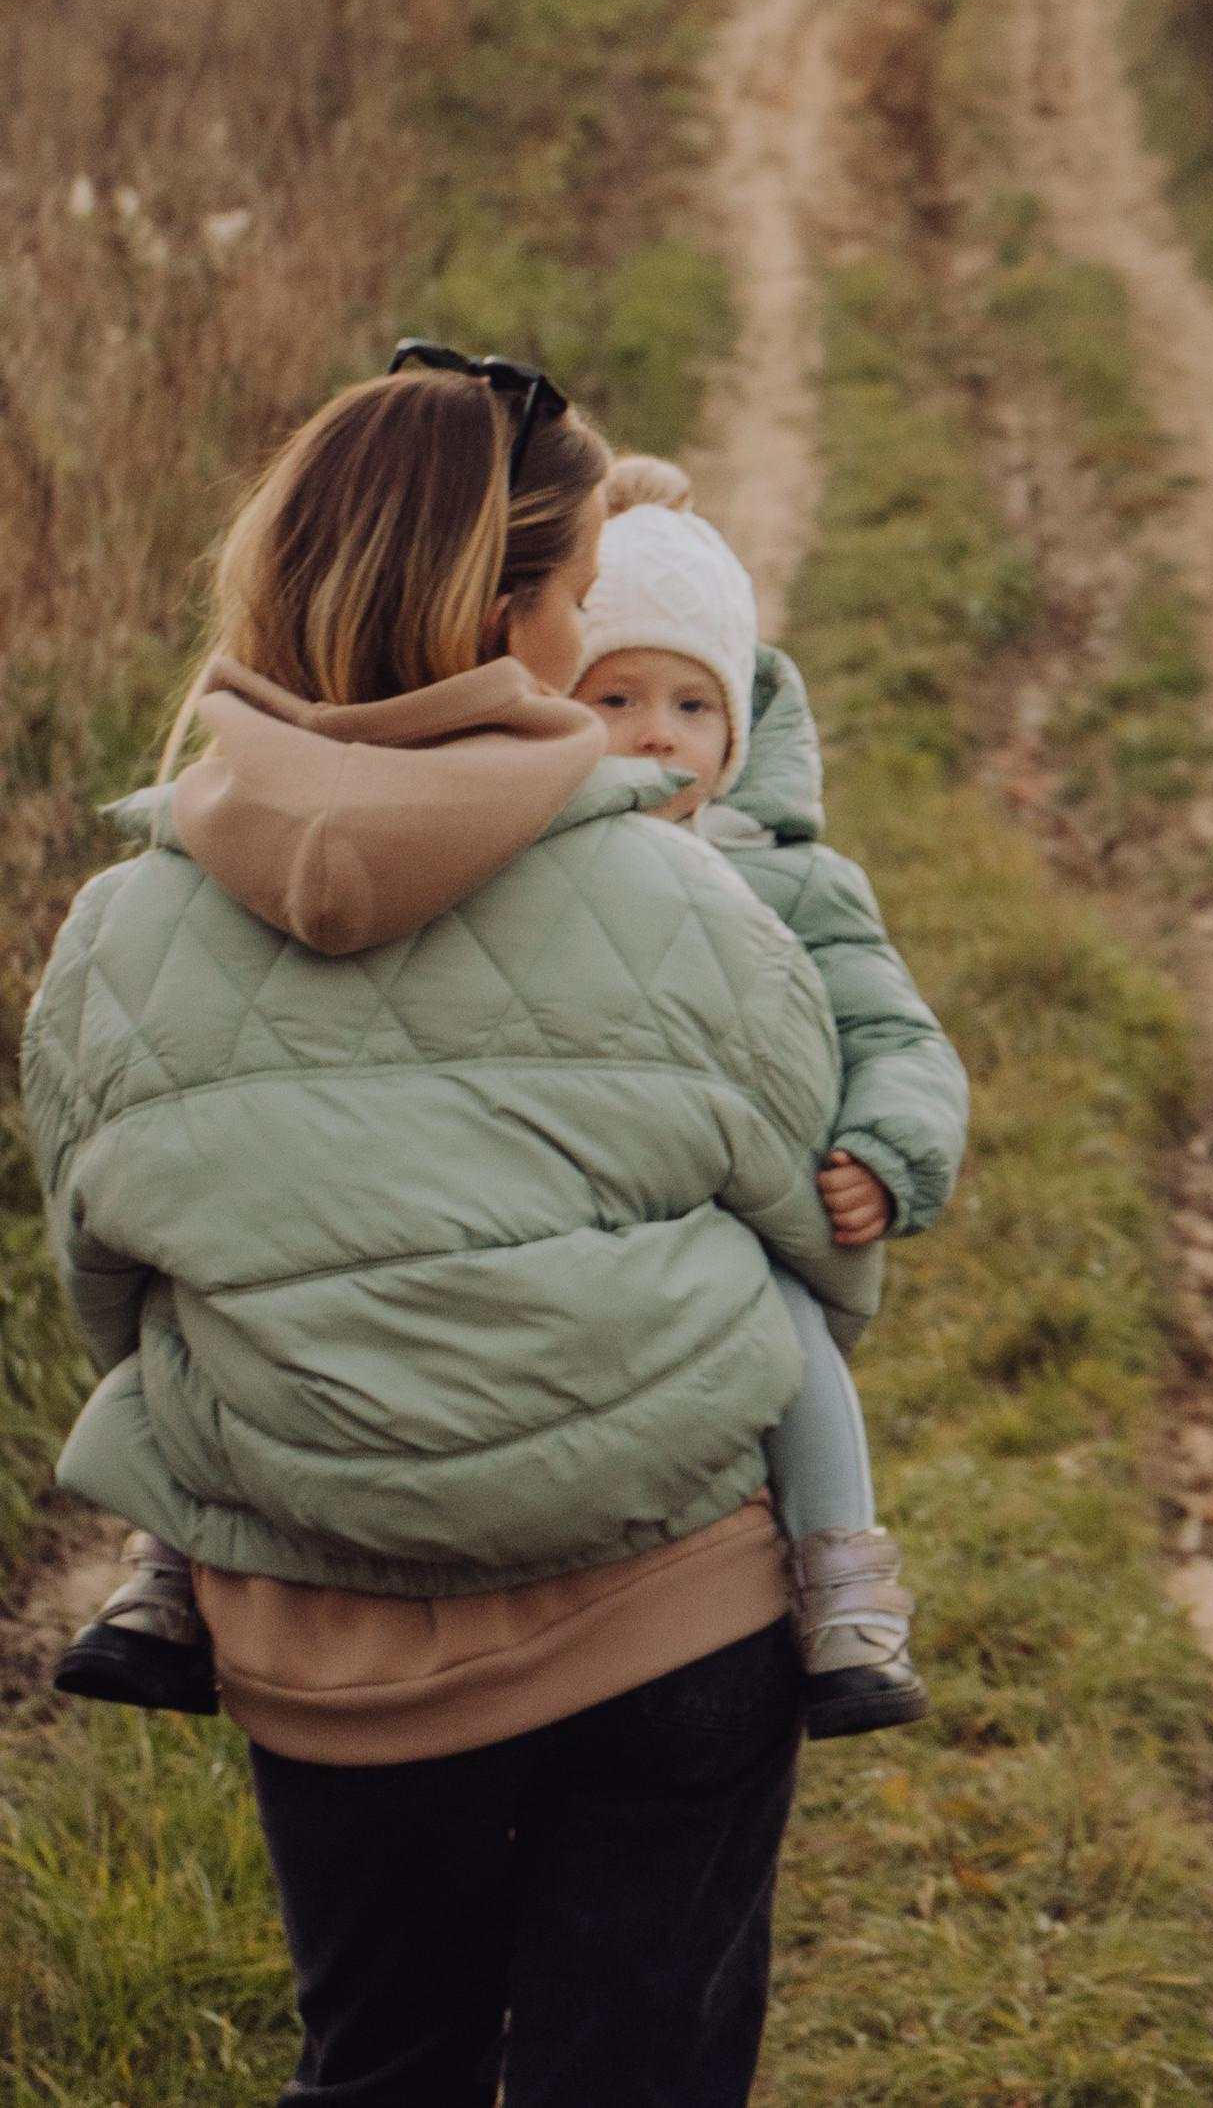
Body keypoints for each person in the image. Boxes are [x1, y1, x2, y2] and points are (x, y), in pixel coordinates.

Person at [20, 348, 868, 2108]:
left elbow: (114, 1292)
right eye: (572, 594)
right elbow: (822, 1246)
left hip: (320, 1628)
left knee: (381, 2063)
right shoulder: (684, 895)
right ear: (512, 617)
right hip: (660, 1612)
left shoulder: (116, 933)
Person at [569, 457, 968, 1736]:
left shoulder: (791, 885)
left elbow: (893, 1029)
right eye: (616, 694)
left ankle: (842, 1580)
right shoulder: (522, 861)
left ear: (734, 738)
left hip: (734, 1206)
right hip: (576, 1186)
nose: (654, 732)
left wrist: (885, 1148)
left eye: (692, 705)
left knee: (792, 1338)